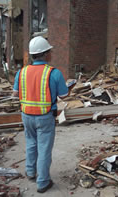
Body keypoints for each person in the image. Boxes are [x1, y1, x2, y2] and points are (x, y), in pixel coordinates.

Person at [13, 36, 72, 193]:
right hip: (45, 116)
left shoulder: (22, 72)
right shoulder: (54, 73)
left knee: (31, 144)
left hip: (26, 115)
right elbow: (64, 95)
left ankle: (31, 172)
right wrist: (69, 87)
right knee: (44, 148)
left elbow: (14, 93)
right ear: (46, 54)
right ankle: (43, 182)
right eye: (49, 51)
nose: (51, 53)